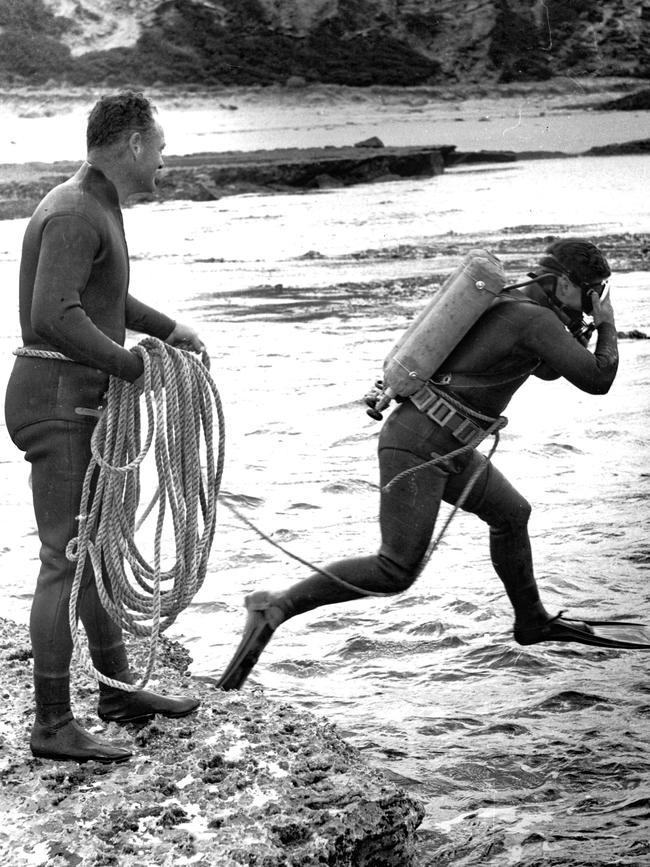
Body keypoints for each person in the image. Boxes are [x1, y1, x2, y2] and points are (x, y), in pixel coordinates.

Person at [216, 238, 632, 692]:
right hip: (419, 445)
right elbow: (598, 379)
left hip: (445, 444)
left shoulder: (521, 306)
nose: (597, 301)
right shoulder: (532, 317)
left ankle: (530, 619)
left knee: (512, 514)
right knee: (395, 569)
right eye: (594, 290)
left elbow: (549, 369)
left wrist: (580, 326)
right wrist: (607, 325)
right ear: (566, 283)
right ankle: (274, 606)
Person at [4, 91, 207, 763]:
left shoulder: (93, 205)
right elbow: (56, 313)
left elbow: (104, 296)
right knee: (65, 558)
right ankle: (53, 723)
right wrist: (129, 365)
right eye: (161, 148)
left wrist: (167, 329)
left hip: (71, 397)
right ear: (131, 145)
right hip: (59, 401)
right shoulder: (73, 212)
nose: (164, 161)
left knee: (93, 548)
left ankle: (116, 690)